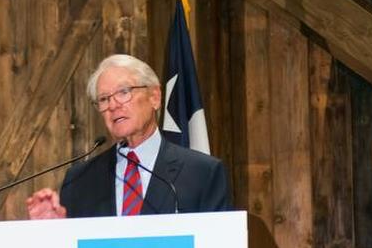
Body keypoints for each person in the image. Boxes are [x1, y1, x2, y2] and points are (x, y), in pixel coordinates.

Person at [26, 54, 230, 219]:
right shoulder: (80, 180)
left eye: (123, 92)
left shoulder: (202, 173)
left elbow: (217, 247)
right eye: (104, 99)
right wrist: (55, 229)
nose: (113, 105)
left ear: (155, 97)